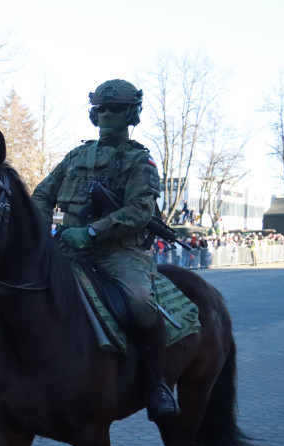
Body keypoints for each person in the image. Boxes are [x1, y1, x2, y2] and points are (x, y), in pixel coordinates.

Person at [33, 78, 177, 420]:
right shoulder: (75, 156)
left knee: (141, 301)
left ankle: (157, 383)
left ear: (132, 114)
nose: (107, 114)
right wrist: (42, 233)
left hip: (119, 253)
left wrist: (93, 232)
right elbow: (41, 195)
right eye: (101, 108)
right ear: (93, 115)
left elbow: (141, 209)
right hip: (66, 247)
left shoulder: (140, 161)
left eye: (116, 108)